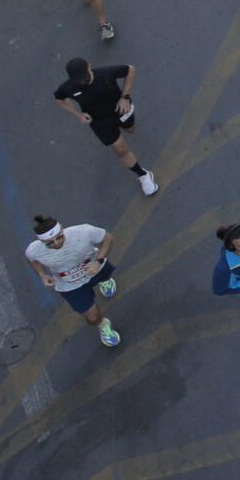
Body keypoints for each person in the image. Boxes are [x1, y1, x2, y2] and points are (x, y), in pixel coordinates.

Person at [53, 56, 159, 195]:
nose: (81, 81)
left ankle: (127, 128)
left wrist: (124, 97)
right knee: (120, 149)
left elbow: (130, 70)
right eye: (78, 79)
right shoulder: (69, 87)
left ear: (89, 67)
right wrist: (77, 114)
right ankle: (143, 175)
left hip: (121, 111)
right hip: (99, 122)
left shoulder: (106, 74)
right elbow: (59, 99)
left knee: (130, 130)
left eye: (84, 77)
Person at [24, 216, 122, 347]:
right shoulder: (34, 250)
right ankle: (103, 324)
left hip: (96, 270)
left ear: (62, 229)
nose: (57, 243)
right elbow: (32, 260)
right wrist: (42, 275)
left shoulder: (83, 231)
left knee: (105, 277)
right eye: (50, 242)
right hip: (70, 286)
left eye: (59, 237)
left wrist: (98, 262)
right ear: (42, 242)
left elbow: (107, 238)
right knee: (92, 318)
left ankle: (104, 282)